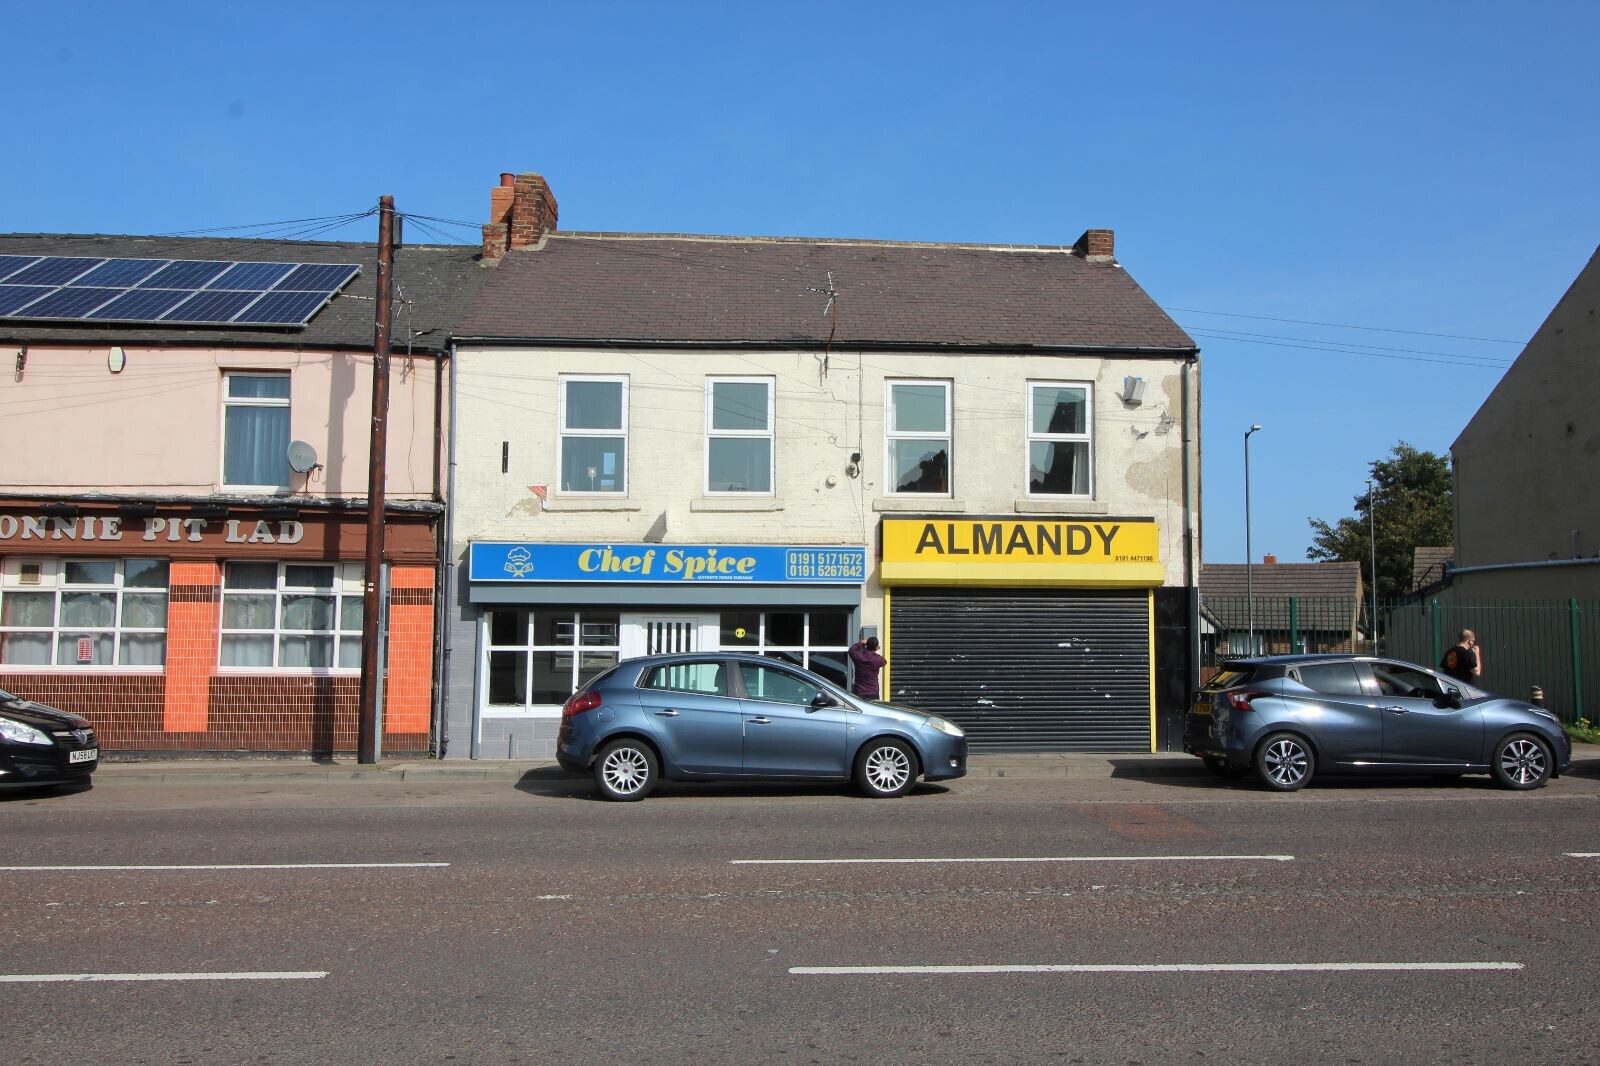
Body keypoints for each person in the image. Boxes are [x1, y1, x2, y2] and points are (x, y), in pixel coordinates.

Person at [848, 633, 887, 700]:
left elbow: (851, 650)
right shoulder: (877, 659)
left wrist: (860, 643)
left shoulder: (859, 657)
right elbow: (884, 662)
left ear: (866, 645)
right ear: (876, 647)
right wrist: (875, 650)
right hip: (873, 692)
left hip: (859, 691)